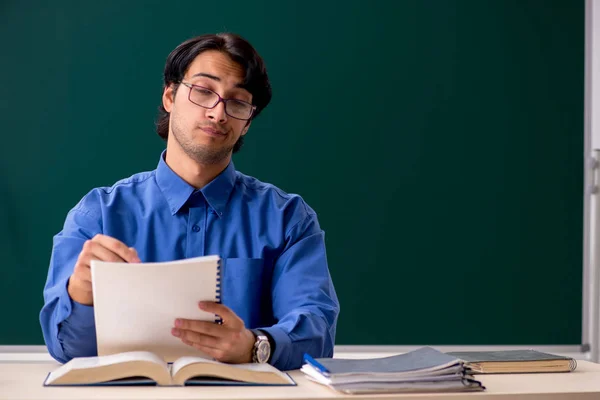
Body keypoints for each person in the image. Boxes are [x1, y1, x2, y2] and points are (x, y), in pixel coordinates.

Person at [39, 33, 339, 371]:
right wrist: (80, 294)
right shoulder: (99, 215)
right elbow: (66, 349)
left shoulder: (287, 218)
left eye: (237, 101)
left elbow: (318, 331)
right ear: (170, 96)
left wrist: (255, 345)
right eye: (204, 91)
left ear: (247, 123)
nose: (218, 112)